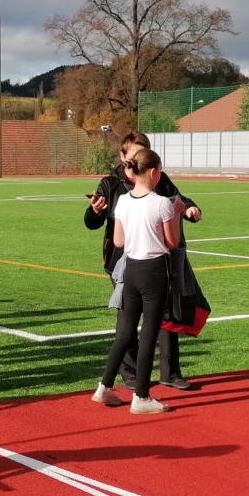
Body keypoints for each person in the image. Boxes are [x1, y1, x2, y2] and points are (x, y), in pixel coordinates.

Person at [85, 130, 200, 390]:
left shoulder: (159, 183)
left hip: (156, 261)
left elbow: (180, 201)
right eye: (133, 156)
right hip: (124, 263)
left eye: (143, 155)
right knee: (130, 323)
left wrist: (191, 210)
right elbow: (101, 228)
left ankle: (168, 372)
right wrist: (94, 211)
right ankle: (133, 378)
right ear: (122, 157)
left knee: (165, 315)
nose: (138, 162)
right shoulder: (112, 185)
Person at [92, 148, 181, 415]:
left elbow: (118, 241)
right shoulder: (162, 203)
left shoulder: (124, 202)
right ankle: (141, 395)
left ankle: (104, 386)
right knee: (149, 333)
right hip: (154, 271)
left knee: (125, 332)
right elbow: (172, 242)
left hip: (130, 270)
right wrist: (176, 212)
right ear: (154, 172)